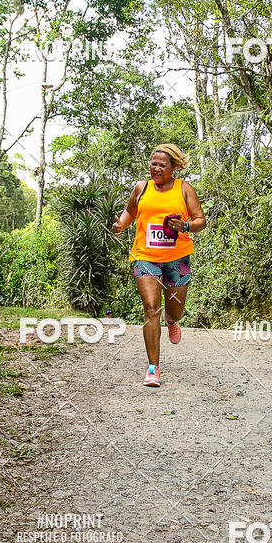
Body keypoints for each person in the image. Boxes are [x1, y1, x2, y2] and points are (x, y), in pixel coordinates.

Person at [111, 144, 206, 387]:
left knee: (174, 310)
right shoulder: (141, 188)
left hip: (178, 258)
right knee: (151, 308)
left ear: (174, 167)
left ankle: (172, 321)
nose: (156, 168)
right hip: (145, 256)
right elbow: (130, 212)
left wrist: (185, 226)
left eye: (162, 165)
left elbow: (200, 221)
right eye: (153, 163)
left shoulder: (184, 189)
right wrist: (121, 225)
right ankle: (153, 368)